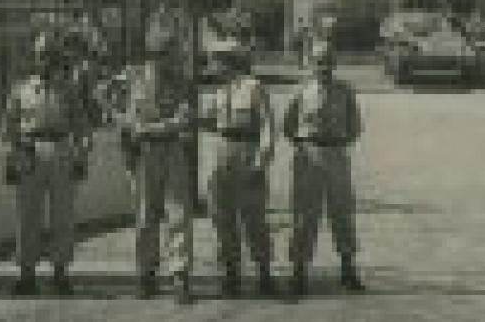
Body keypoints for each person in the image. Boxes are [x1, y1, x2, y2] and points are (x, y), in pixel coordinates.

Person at [3, 31, 92, 296]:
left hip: (60, 149)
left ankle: (60, 273)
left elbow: (82, 126)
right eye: (42, 55)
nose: (46, 60)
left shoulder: (68, 90)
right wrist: (12, 156)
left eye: (51, 55)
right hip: (29, 150)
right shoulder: (21, 90)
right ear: (34, 57)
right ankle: (26, 274)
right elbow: (8, 128)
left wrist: (81, 154)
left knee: (62, 214)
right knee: (27, 214)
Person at [281, 38, 366, 297]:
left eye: (328, 61)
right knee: (304, 214)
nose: (324, 67)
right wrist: (307, 145)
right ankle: (299, 272)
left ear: (334, 63)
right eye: (319, 62)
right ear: (311, 63)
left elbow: (355, 126)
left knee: (342, 212)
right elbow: (288, 126)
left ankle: (348, 270)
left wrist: (337, 144)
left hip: (337, 153)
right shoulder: (300, 91)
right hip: (309, 154)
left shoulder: (345, 91)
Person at [123, 23, 197, 303]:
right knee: (145, 215)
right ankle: (146, 273)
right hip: (145, 153)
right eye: (162, 53)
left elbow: (183, 120)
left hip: (172, 150)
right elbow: (131, 122)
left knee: (178, 213)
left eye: (169, 52)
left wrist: (154, 127)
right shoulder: (135, 80)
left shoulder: (181, 82)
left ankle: (180, 275)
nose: (168, 58)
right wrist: (158, 127)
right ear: (153, 54)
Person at [203, 44, 277, 297]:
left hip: (247, 150)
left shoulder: (253, 87)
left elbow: (267, 124)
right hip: (222, 151)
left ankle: (264, 273)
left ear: (228, 62)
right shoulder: (219, 91)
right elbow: (211, 122)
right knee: (222, 215)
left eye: (215, 62)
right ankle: (231, 273)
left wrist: (262, 159)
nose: (212, 67)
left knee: (253, 215)